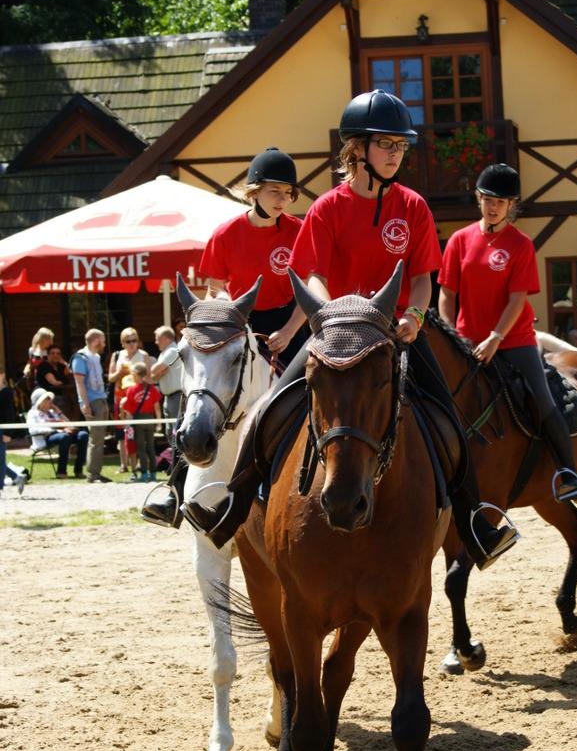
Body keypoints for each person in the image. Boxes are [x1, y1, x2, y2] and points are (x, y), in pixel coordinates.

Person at [182, 91, 518, 569]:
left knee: (449, 419)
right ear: (357, 149)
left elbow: (423, 278)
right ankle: (232, 508)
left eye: (401, 146)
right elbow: (313, 274)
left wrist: (414, 317)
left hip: (397, 335)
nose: (396, 154)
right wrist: (331, 314)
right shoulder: (326, 208)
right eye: (386, 144)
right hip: (336, 334)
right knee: (270, 411)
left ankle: (474, 524)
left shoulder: (414, 206)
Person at [142, 147, 307, 528]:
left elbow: (309, 289)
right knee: (202, 391)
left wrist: (289, 331)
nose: (282, 200)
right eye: (275, 191)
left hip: (291, 321)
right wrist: (231, 321)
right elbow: (215, 289)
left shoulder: (300, 231)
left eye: (288, 193)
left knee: (315, 388)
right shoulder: (226, 233)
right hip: (236, 322)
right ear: (253, 192)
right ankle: (174, 489)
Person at [438, 162, 577, 503]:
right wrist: (450, 334)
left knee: (541, 397)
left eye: (501, 202)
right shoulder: (459, 240)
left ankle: (568, 471)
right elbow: (446, 293)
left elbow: (518, 299)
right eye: (488, 200)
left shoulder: (520, 244)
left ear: (511, 205)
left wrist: (495, 337)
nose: (493, 207)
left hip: (513, 340)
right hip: (466, 341)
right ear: (478, 198)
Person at [108, 327, 152, 474]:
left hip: (138, 399)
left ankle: (139, 463)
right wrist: (120, 372)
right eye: (128, 341)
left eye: (134, 340)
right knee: (122, 431)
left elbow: (149, 378)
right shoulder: (117, 356)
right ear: (122, 343)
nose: (132, 344)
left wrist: (136, 377)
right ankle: (123, 464)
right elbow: (110, 378)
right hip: (120, 398)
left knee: (138, 431)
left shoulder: (143, 355)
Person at [71, 328, 111, 483]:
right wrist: (85, 404)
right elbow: (79, 383)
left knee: (100, 439)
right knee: (95, 439)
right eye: (103, 340)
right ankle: (92, 474)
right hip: (92, 402)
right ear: (96, 341)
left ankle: (96, 472)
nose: (104, 344)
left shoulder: (95, 357)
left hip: (101, 400)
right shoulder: (80, 358)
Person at [26, 387, 88, 479]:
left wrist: (59, 412)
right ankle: (61, 472)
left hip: (62, 435)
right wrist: (57, 431)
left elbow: (69, 425)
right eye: (46, 400)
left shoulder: (52, 412)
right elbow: (33, 430)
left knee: (83, 435)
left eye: (49, 400)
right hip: (45, 438)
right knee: (64, 437)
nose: (49, 402)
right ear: (39, 402)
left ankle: (78, 470)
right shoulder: (33, 413)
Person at [120, 363, 162, 483]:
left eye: (133, 374)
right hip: (150, 419)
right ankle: (153, 473)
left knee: (141, 448)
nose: (132, 376)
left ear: (137, 375)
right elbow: (157, 407)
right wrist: (159, 423)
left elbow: (128, 409)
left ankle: (144, 474)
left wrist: (125, 422)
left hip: (138, 420)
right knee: (151, 447)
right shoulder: (152, 389)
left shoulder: (131, 390)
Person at [149, 325, 183, 445]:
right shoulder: (164, 353)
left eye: (158, 339)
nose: (156, 342)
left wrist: (157, 371)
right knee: (169, 431)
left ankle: (178, 455)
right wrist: (159, 372)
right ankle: (173, 455)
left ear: (166, 339)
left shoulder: (172, 351)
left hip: (176, 396)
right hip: (168, 397)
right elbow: (154, 377)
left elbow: (154, 370)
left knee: (176, 430)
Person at [0, 367, 27, 497]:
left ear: (2, 375)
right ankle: (16, 477)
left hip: (2, 430)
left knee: (0, 460)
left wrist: (8, 433)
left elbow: (10, 414)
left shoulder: (7, 392)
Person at [36, 343, 77, 417]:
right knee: (64, 401)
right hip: (48, 396)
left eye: (58, 354)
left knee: (77, 400)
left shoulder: (61, 366)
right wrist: (64, 381)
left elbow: (72, 377)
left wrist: (65, 364)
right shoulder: (44, 365)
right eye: (53, 353)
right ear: (48, 355)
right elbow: (54, 382)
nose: (55, 355)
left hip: (63, 393)